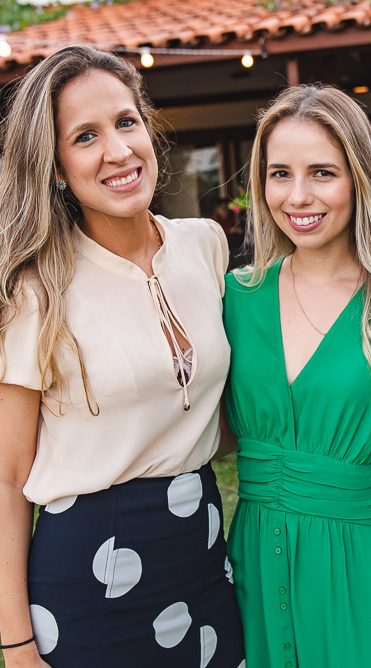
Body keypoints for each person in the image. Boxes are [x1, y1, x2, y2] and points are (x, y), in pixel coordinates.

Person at [0, 46, 244, 666]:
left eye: (125, 122)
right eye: (85, 136)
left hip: (202, 548)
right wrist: (16, 643)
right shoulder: (37, 288)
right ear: (56, 166)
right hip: (89, 571)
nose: (117, 150)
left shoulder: (206, 247)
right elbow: (6, 478)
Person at [223, 84, 371, 667]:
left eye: (322, 172)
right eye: (280, 174)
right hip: (253, 560)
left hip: (364, 571)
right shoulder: (233, 298)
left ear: (360, 180)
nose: (298, 196)